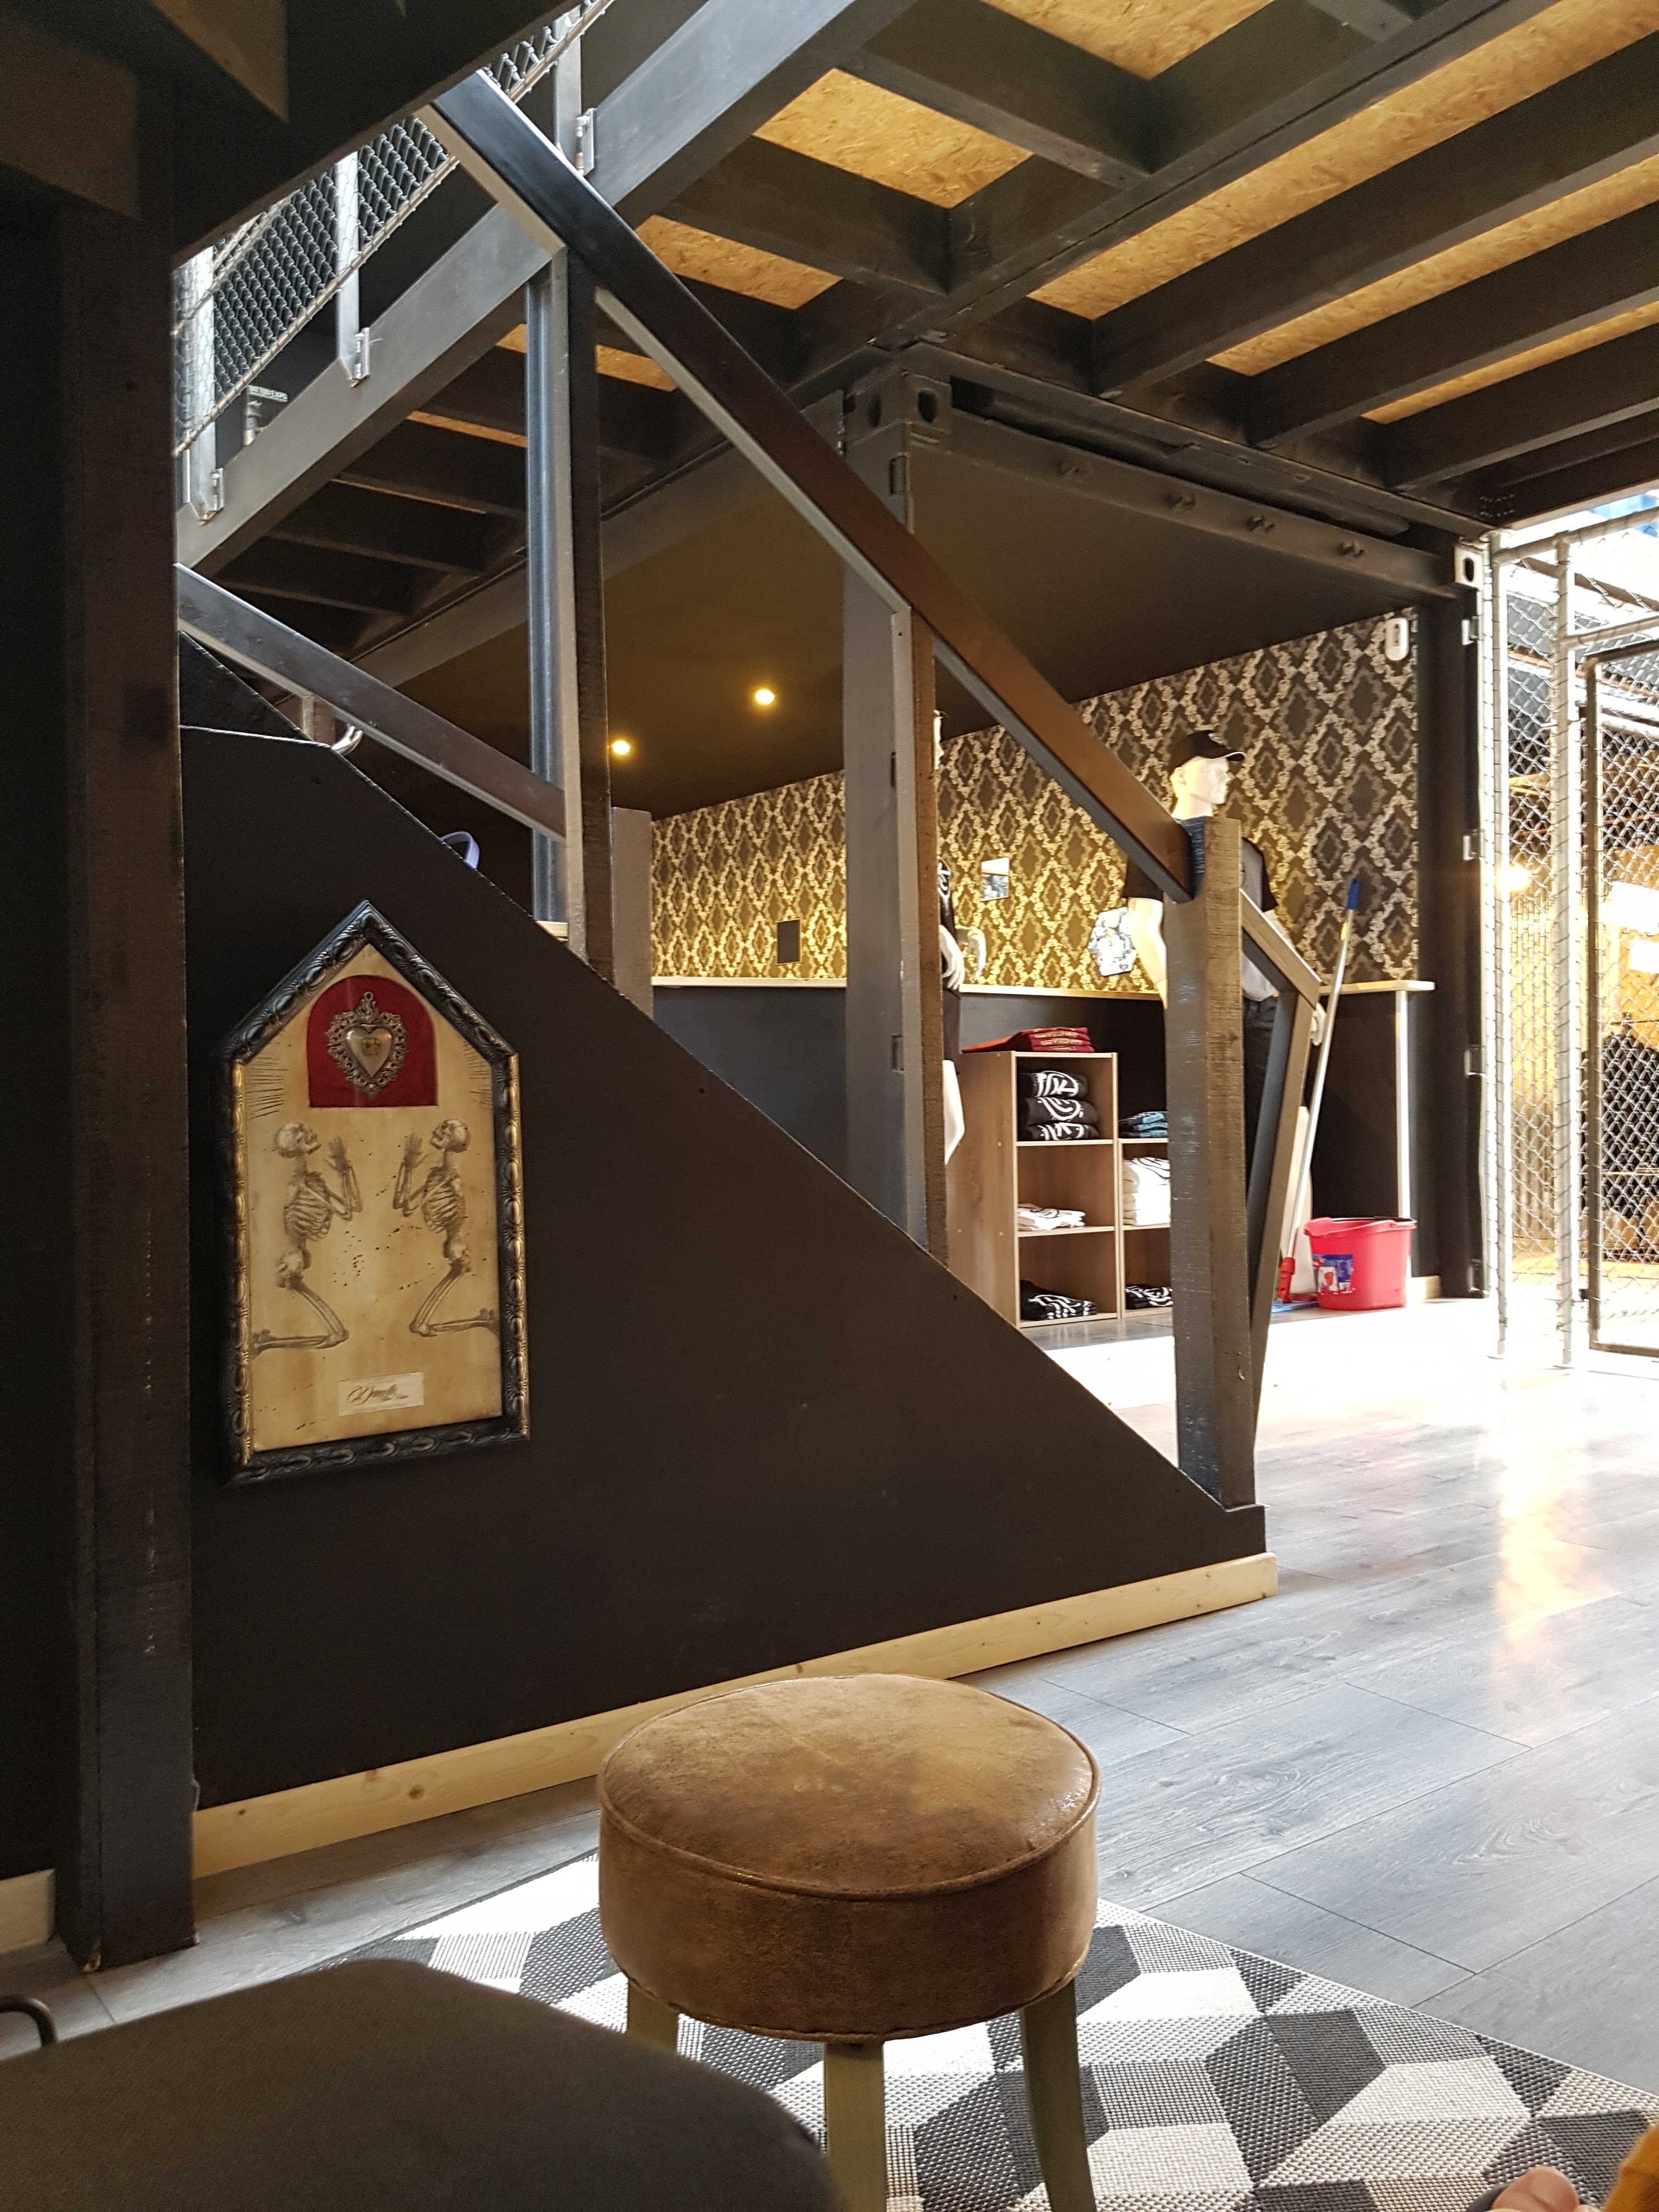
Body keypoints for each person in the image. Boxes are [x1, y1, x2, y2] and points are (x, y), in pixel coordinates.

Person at [1122, 729, 1279, 1165]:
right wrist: (1169, 988)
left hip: (1261, 998)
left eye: (1226, 770)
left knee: (1267, 1119)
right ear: (1179, 777)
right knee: (1213, 1117)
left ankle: (1263, 1208)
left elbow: (1270, 924)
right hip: (1204, 996)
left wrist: (1296, 988)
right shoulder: (1155, 846)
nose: (1224, 777)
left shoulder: (1248, 852)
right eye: (1211, 768)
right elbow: (1142, 923)